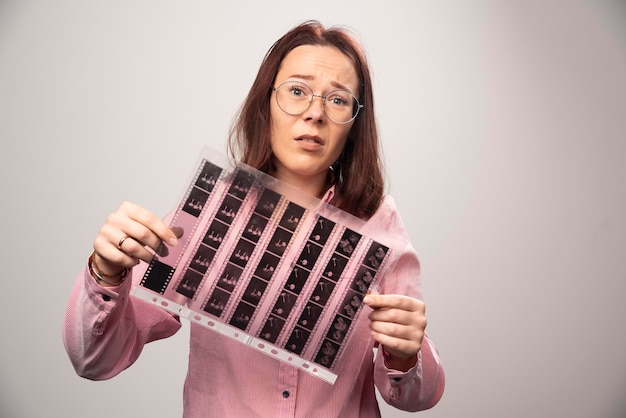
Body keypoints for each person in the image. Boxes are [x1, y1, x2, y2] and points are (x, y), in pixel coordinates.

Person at [63, 20, 445, 417]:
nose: (315, 113)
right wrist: (105, 274)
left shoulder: (380, 225)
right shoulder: (209, 211)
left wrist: (405, 355)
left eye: (338, 100)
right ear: (266, 103)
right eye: (297, 91)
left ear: (354, 123)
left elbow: (416, 397)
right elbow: (95, 361)